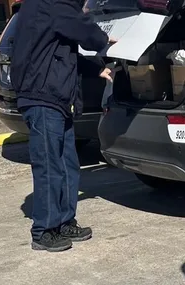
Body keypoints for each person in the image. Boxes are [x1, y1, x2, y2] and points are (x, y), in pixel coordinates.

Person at [10, 0, 116, 252]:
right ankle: (43, 230)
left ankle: (64, 221)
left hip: (56, 96)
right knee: (49, 164)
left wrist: (95, 69)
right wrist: (104, 39)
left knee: (67, 163)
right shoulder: (53, 3)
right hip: (42, 96)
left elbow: (60, 52)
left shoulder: (50, 9)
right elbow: (85, 32)